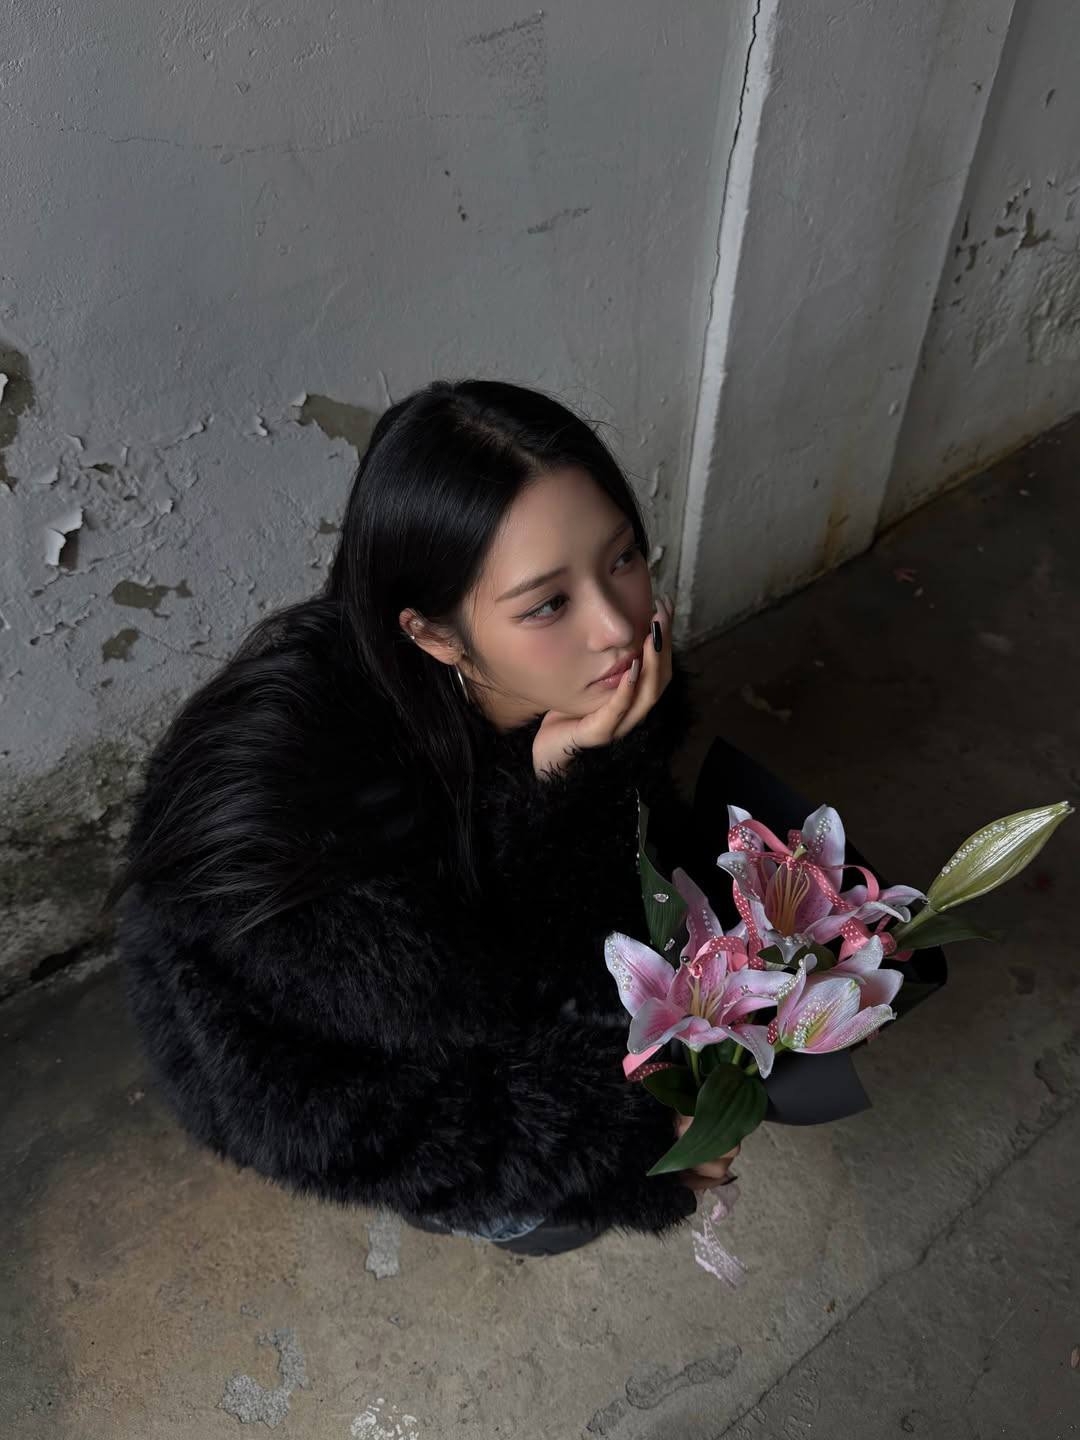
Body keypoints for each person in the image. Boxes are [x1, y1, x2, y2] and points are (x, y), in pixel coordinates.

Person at [103, 379, 739, 1261]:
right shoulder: (306, 847)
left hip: (477, 982)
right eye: (548, 603)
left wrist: (573, 785)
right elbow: (356, 1129)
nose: (618, 625)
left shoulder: (584, 688)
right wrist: (632, 1143)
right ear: (434, 636)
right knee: (545, 1211)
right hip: (347, 1080)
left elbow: (595, 901)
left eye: (624, 557)